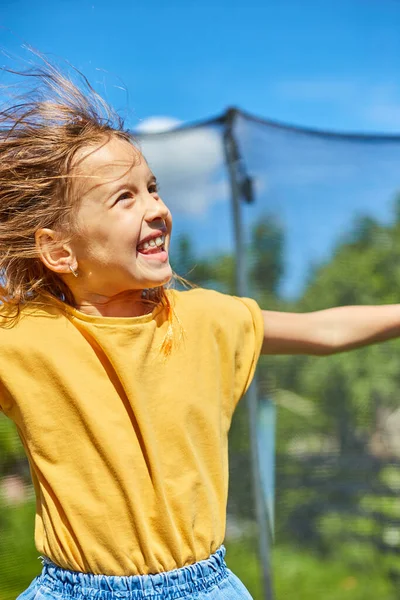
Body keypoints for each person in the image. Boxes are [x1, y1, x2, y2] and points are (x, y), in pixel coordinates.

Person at [1, 58, 400, 600]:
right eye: (125, 197)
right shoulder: (24, 337)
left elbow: (324, 330)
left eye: (153, 187)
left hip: (202, 587)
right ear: (58, 250)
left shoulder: (205, 319)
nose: (157, 208)